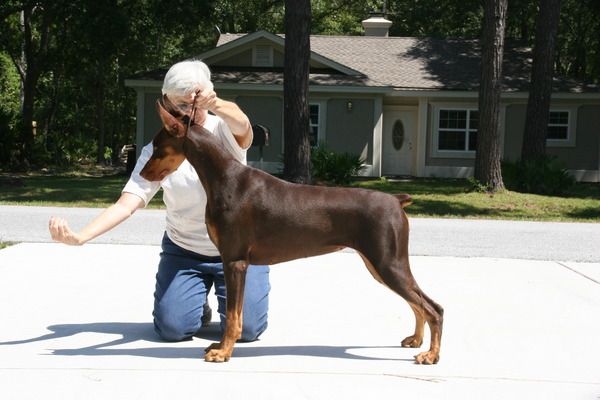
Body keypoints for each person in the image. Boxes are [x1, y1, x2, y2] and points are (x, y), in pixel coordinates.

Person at [48, 60, 270, 342]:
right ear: (166, 102)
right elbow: (126, 204)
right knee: (173, 328)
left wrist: (216, 104)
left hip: (240, 250)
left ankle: (232, 300)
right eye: (179, 104)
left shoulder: (224, 132)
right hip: (186, 253)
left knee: (247, 330)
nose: (188, 112)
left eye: (194, 104)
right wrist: (81, 237)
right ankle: (195, 302)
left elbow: (243, 124)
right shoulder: (159, 150)